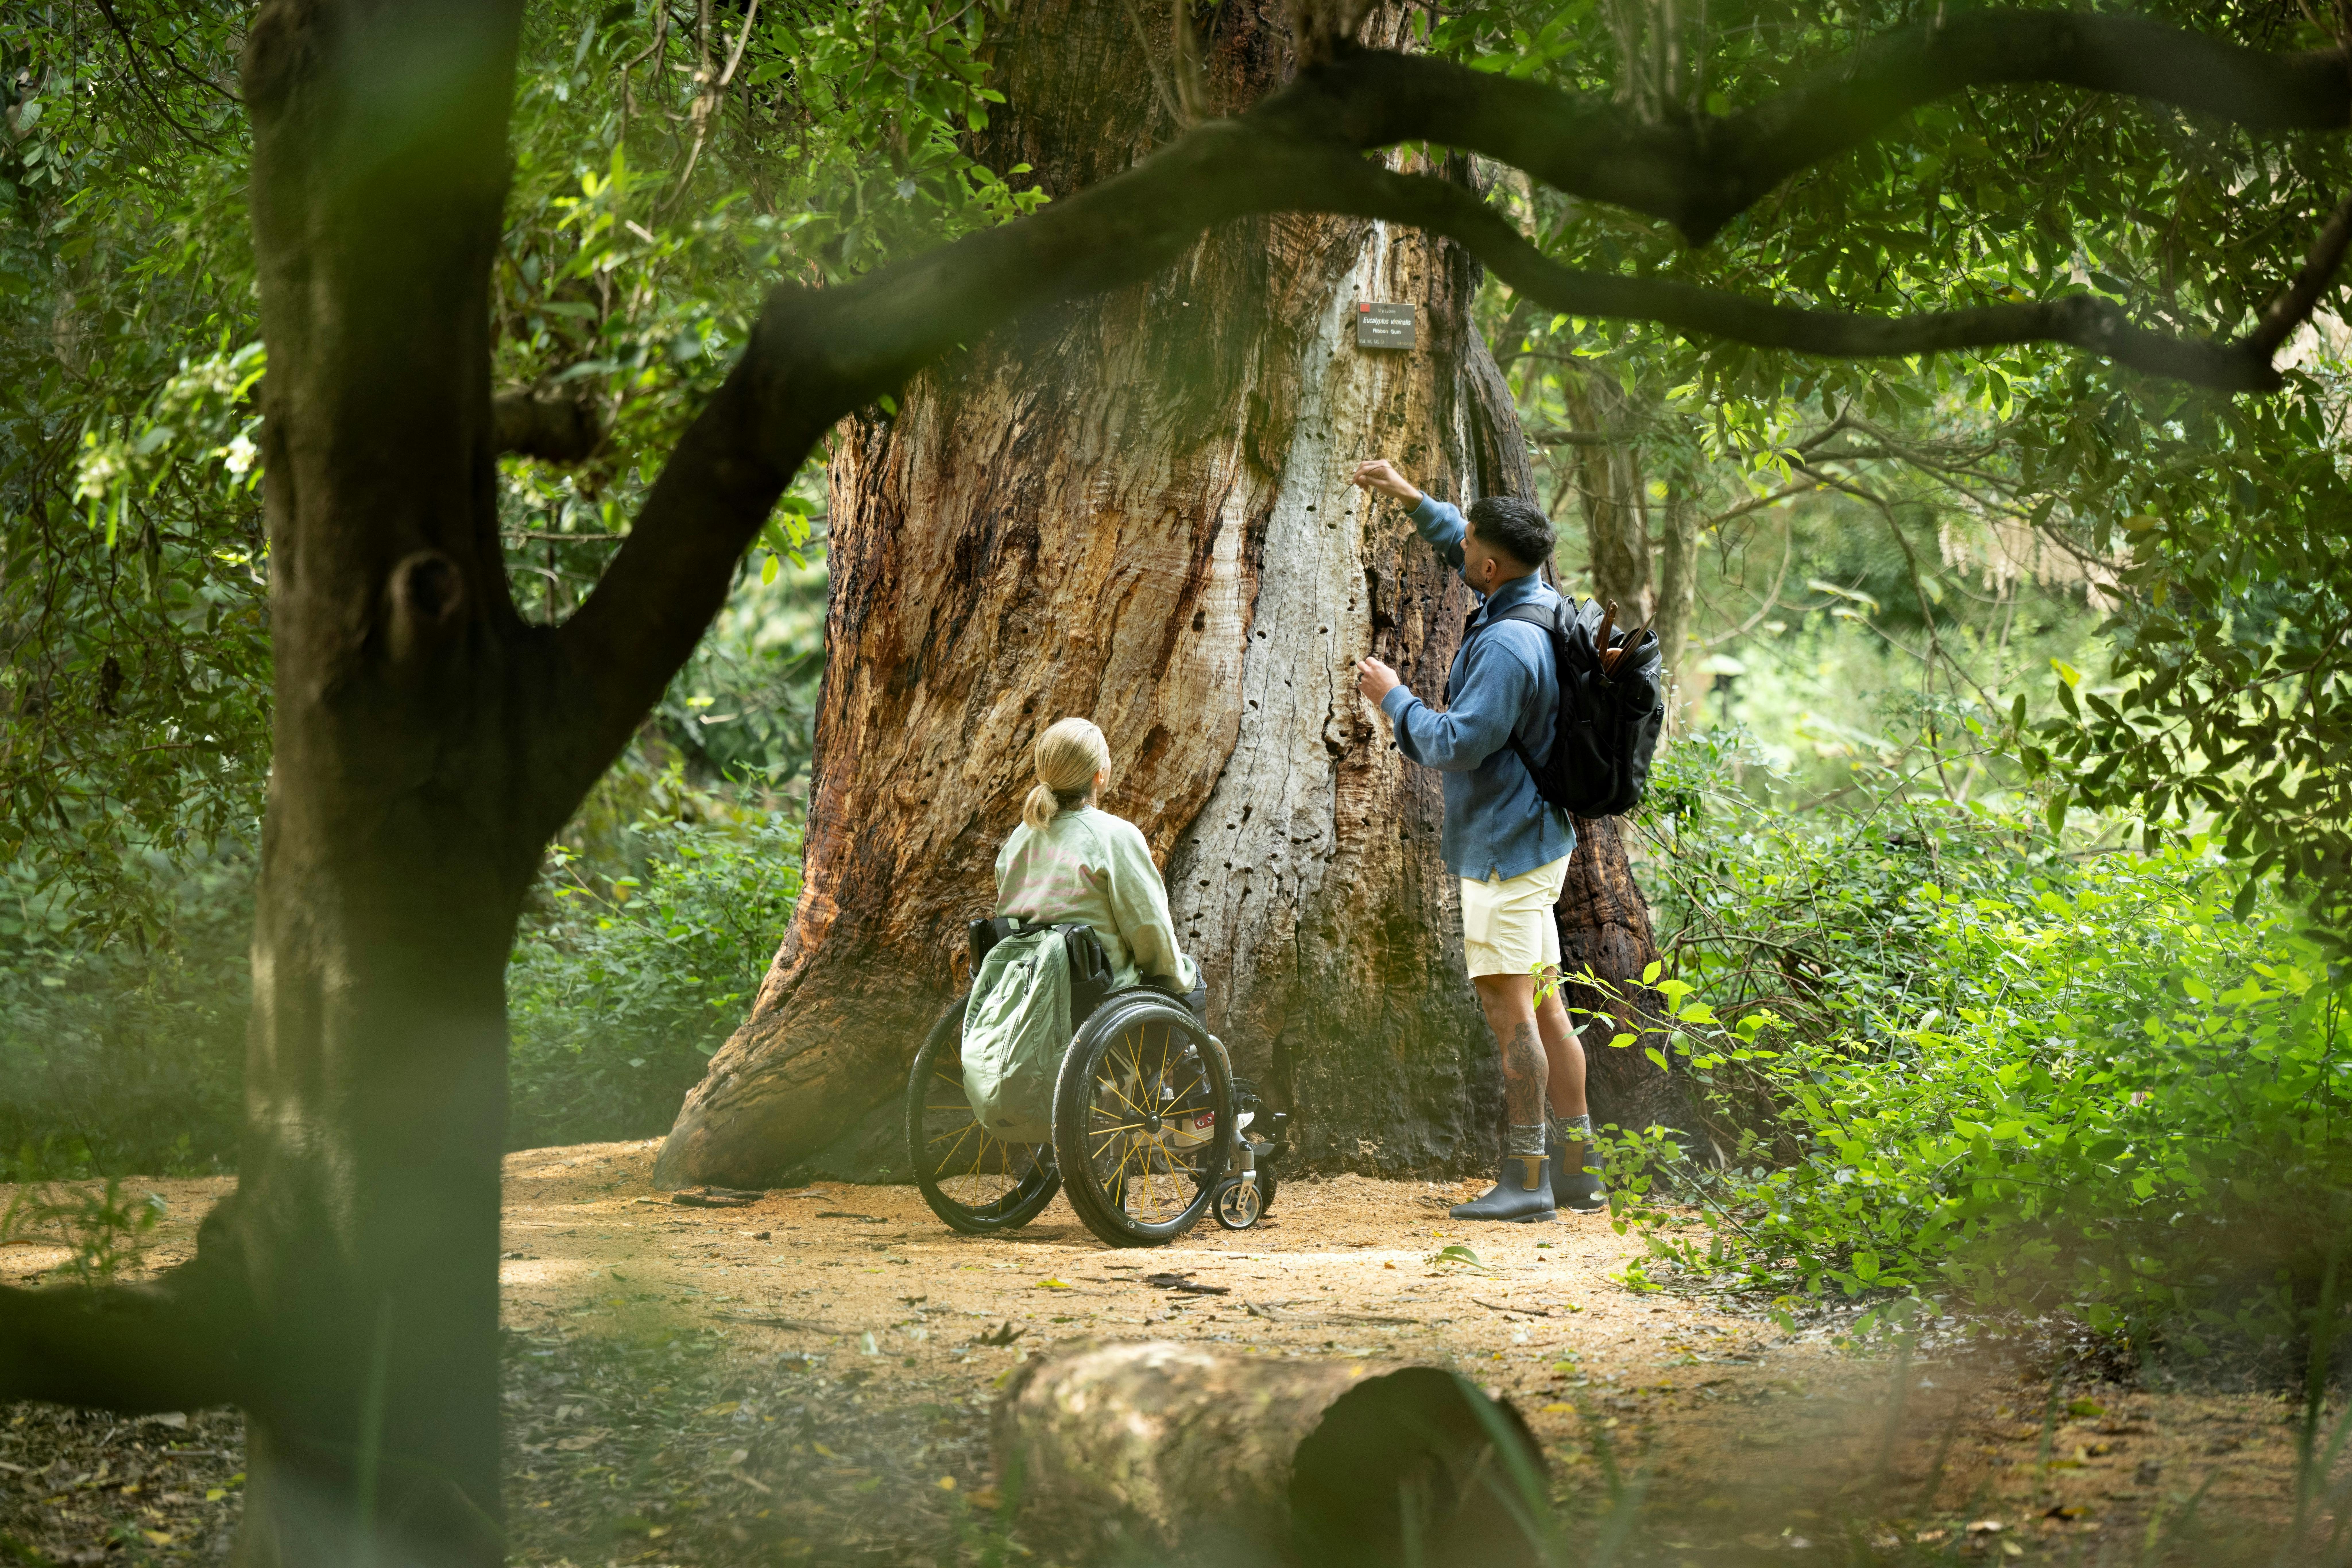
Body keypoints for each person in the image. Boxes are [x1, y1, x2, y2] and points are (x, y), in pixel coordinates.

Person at [1348, 457, 1606, 1223]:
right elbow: (1466, 540)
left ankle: (1526, 1177)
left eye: (1467, 545)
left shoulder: (1505, 647)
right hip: (1539, 839)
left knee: (1511, 1010)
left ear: (1489, 564)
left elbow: (1457, 741)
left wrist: (1392, 699)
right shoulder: (1538, 604)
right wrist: (1407, 495)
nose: (1458, 548)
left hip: (1503, 848)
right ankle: (1578, 1170)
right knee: (1549, 1004)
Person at [993, 716, 1204, 1015]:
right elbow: (1149, 929)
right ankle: (1188, 1063)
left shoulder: (1018, 841)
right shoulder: (1114, 836)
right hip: (1101, 999)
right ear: (1099, 775)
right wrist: (1178, 977)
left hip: (1030, 995)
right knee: (1192, 983)